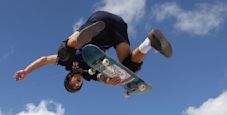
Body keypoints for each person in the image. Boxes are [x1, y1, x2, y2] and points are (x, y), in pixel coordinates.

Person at [15, 11, 172, 93]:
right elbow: (102, 77)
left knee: (64, 53)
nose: (78, 82)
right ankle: (150, 42)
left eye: (74, 83)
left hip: (99, 23)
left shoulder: (68, 64)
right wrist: (109, 82)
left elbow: (44, 60)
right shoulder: (89, 75)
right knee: (129, 67)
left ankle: (80, 40)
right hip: (117, 27)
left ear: (69, 77)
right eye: (79, 84)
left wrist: (27, 71)